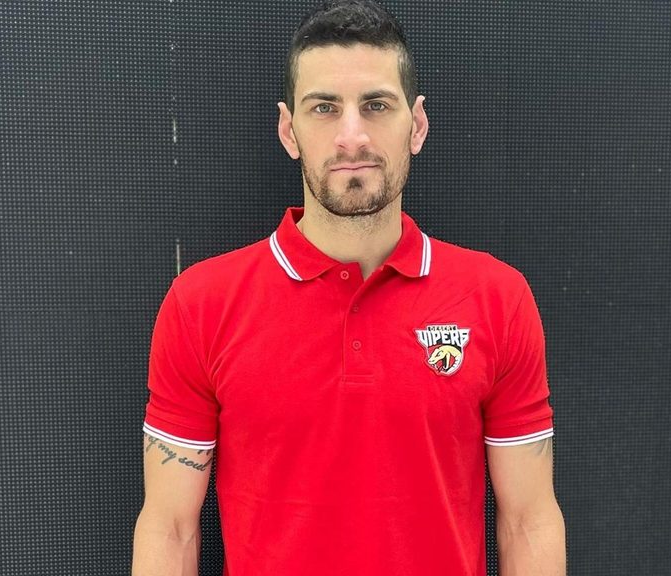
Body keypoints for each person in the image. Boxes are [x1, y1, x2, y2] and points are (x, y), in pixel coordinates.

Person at [132, 1, 565, 574]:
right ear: (289, 130)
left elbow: (529, 520)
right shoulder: (202, 305)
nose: (351, 136)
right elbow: (170, 529)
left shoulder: (497, 299)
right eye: (324, 108)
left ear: (417, 125)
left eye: (376, 105)